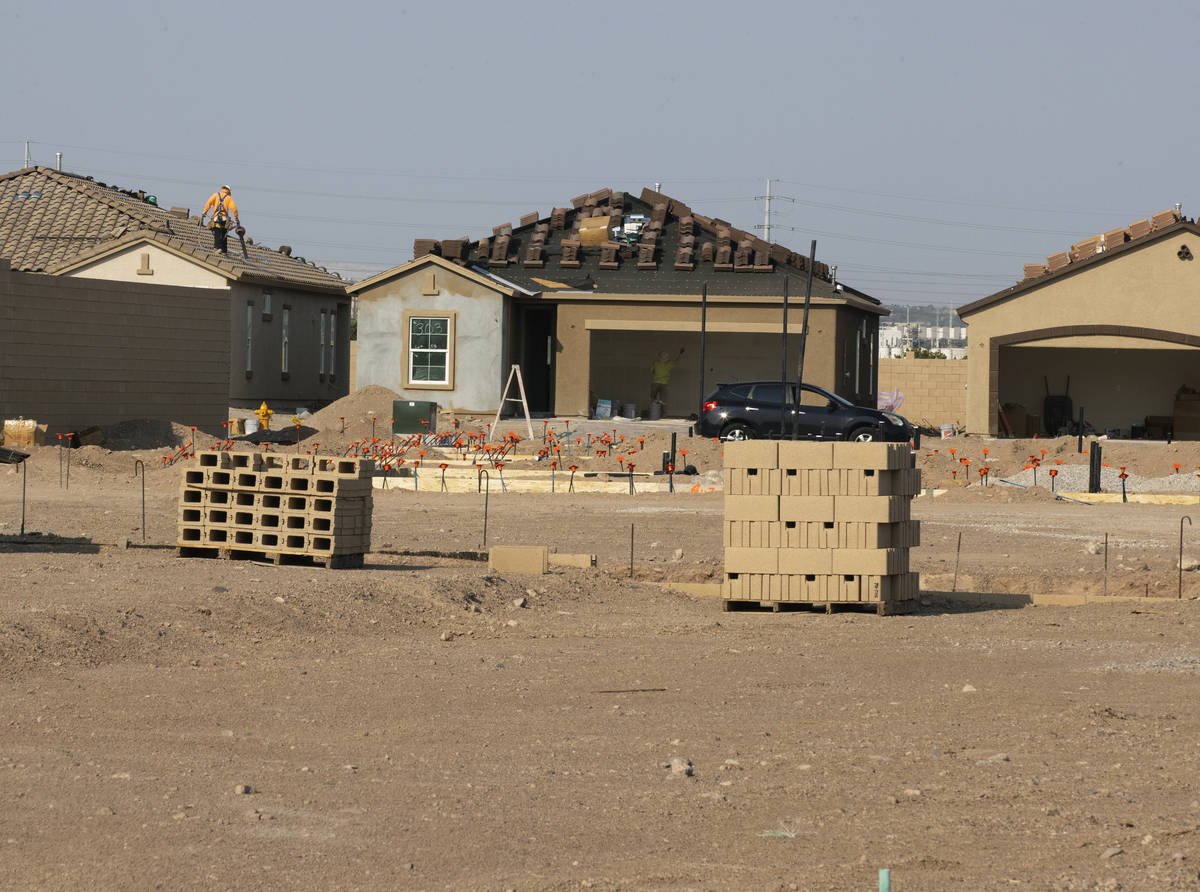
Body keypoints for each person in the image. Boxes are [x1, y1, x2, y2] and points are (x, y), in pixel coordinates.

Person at [201, 185, 241, 254]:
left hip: (216, 218)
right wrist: (236, 219)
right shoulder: (229, 198)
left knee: (217, 232)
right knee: (224, 233)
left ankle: (217, 248)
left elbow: (209, 203)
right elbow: (234, 209)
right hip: (224, 219)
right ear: (229, 191)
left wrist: (204, 212)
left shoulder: (216, 195)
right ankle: (224, 250)